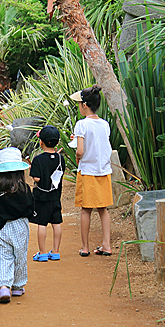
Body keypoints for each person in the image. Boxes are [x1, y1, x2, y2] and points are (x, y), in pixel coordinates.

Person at [0, 147, 34, 303]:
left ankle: (4, 286)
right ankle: (17, 286)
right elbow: (30, 209)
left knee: (3, 256)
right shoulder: (24, 188)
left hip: (1, 227)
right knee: (20, 256)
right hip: (20, 227)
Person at [70, 86, 113, 257]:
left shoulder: (81, 124)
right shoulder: (104, 124)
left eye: (80, 104)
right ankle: (107, 245)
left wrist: (77, 156)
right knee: (103, 209)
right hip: (103, 170)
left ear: (85, 105)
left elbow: (80, 150)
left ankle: (85, 246)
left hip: (88, 171)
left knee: (86, 209)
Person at [30, 125, 64, 262]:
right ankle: (56, 251)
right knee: (56, 223)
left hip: (41, 197)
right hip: (55, 196)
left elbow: (36, 178)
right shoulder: (61, 158)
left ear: (41, 142)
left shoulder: (38, 159)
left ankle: (42, 252)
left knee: (42, 224)